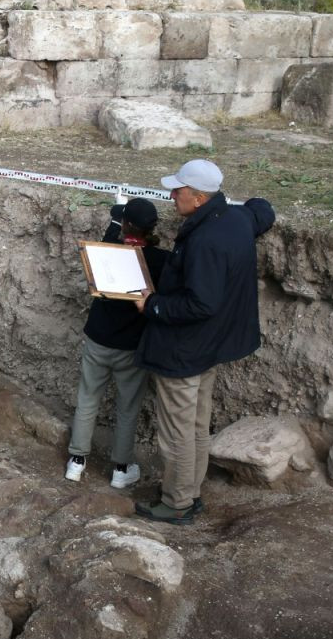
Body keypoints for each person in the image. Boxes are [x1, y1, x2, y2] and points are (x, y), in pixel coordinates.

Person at [132, 160, 275, 525]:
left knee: (177, 433)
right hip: (211, 347)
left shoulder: (205, 240)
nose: (171, 196)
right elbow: (263, 210)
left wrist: (152, 305)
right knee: (196, 425)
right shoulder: (236, 219)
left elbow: (200, 303)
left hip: (184, 350)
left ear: (198, 198)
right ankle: (190, 493)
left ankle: (177, 502)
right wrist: (258, 203)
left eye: (177, 191)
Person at [65, 197, 168, 489]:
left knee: (87, 398)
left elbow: (114, 228)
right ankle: (121, 469)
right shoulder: (161, 260)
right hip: (132, 346)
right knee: (128, 406)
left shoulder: (107, 248)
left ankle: (77, 462)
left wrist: (117, 214)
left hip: (98, 339)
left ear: (124, 224)